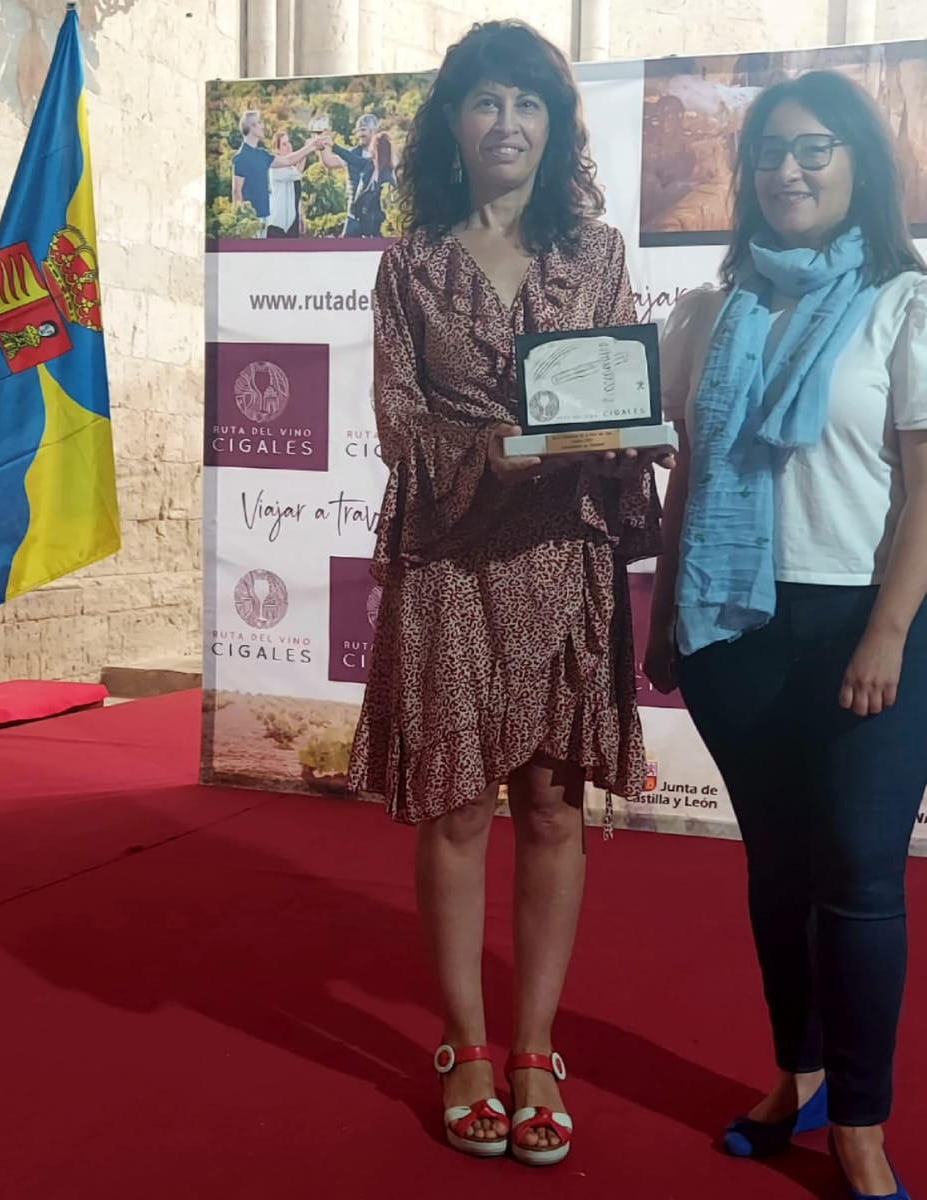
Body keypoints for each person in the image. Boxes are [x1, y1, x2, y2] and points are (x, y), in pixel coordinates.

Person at [643, 71, 927, 1200]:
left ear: (860, 165)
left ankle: (859, 1121)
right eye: (768, 152)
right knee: (778, 873)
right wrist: (665, 612)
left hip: (872, 625)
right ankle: (794, 1076)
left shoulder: (914, 302)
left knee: (855, 875)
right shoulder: (709, 313)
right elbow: (692, 474)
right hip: (735, 626)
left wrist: (885, 633)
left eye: (814, 149)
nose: (788, 170)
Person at [347, 19, 665, 1169]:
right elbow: (398, 421)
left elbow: (612, 391)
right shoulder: (410, 262)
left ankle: (535, 1049)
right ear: (452, 122)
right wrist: (493, 454)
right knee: (453, 807)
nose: (507, 123)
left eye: (528, 103)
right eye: (486, 101)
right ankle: (466, 1046)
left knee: (550, 805)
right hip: (448, 554)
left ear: (555, 124)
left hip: (560, 552)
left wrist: (624, 438)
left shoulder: (597, 252)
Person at [320, 114, 397, 237]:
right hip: (356, 216)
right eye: (359, 130)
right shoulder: (368, 164)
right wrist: (329, 145)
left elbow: (391, 202)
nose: (360, 134)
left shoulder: (388, 174)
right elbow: (352, 159)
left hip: (376, 223)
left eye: (363, 130)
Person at [266, 129, 329, 237]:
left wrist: (301, 216)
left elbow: (296, 196)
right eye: (284, 144)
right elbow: (298, 172)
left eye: (288, 142)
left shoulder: (291, 169)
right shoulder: (275, 169)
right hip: (277, 223)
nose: (288, 146)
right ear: (277, 150)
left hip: (292, 222)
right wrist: (308, 148)